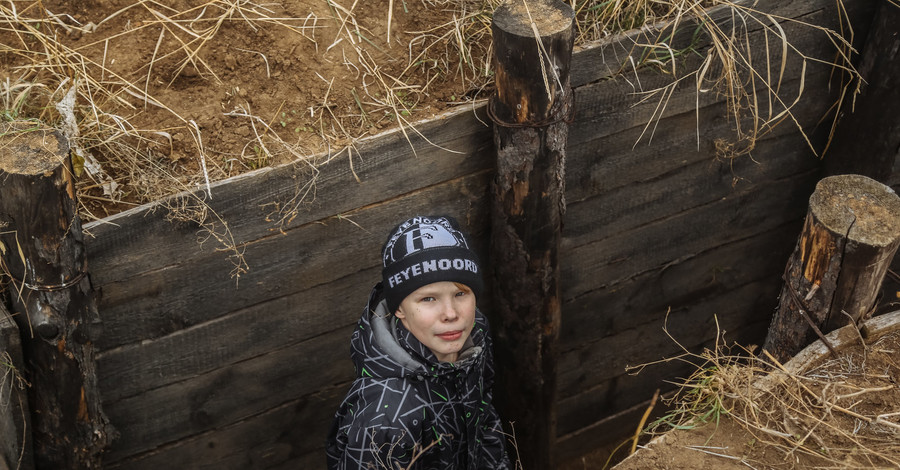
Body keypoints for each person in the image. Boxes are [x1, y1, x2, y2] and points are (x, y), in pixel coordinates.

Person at [326, 215, 511, 469]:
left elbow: (485, 420)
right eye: (428, 299)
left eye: (460, 293)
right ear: (399, 309)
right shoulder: (387, 417)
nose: (450, 313)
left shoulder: (474, 337)